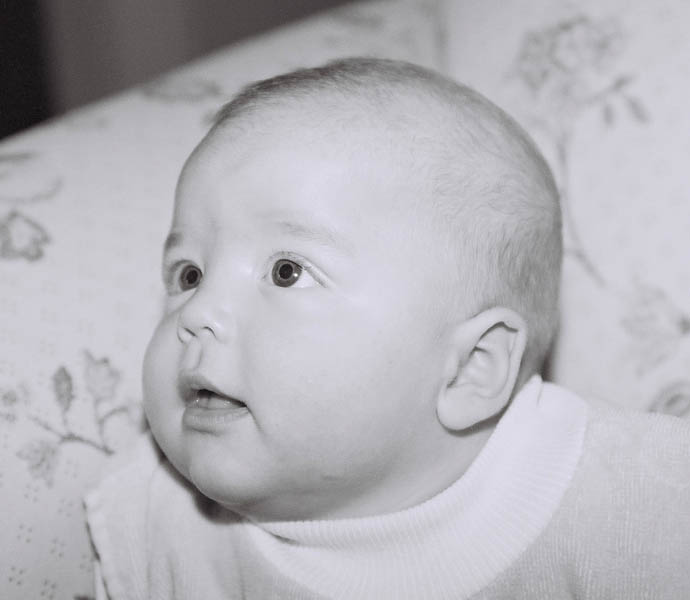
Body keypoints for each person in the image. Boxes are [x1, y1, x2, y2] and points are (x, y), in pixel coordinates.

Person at [85, 57, 690, 599]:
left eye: (288, 271)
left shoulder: (644, 507)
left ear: (470, 368)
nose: (197, 312)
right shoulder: (157, 521)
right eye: (189, 274)